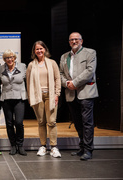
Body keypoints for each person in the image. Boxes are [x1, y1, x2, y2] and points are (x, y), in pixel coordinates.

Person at [60, 32, 98, 161]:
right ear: (69, 42)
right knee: (77, 122)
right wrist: (67, 83)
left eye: (76, 39)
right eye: (71, 40)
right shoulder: (64, 56)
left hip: (86, 93)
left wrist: (75, 83)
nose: (74, 41)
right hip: (71, 94)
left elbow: (89, 71)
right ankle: (81, 147)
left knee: (87, 122)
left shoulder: (90, 53)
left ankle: (88, 150)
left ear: (81, 41)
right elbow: (60, 74)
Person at [26, 41, 61, 158]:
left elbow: (57, 79)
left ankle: (54, 147)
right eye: (37, 49)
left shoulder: (52, 63)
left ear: (45, 49)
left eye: (41, 48)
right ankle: (43, 146)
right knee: (41, 122)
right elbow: (28, 83)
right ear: (34, 51)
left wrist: (57, 94)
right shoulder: (31, 65)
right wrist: (30, 97)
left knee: (52, 121)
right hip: (37, 96)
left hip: (50, 96)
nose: (39, 51)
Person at [0, 49, 27, 156]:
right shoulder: (1, 68)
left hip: (19, 98)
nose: (9, 59)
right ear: (4, 59)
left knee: (19, 122)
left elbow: (27, 79)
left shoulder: (22, 66)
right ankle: (13, 145)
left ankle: (20, 145)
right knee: (9, 123)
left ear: (14, 58)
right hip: (6, 98)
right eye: (7, 58)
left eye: (11, 57)